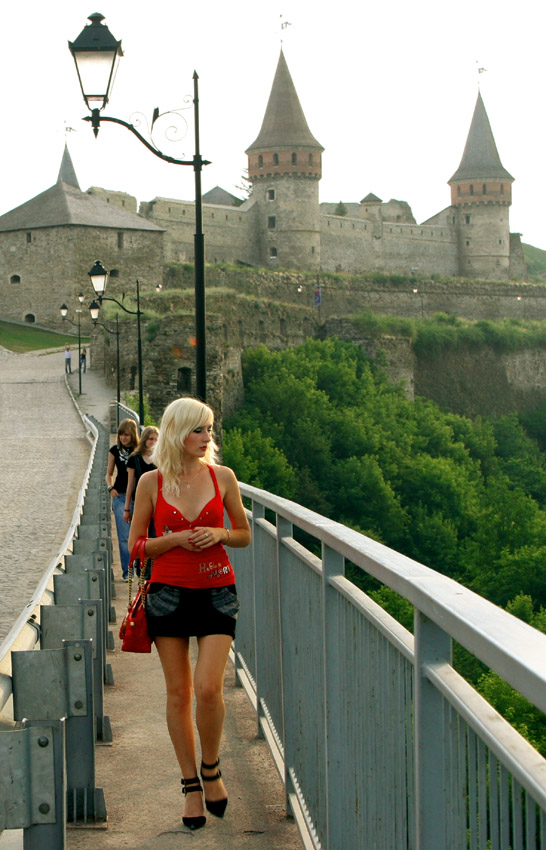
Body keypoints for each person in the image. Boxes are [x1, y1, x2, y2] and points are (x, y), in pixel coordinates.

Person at [129, 398, 251, 831]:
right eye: (198, 430)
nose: (206, 438)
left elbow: (243, 534)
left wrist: (220, 532)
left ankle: (212, 767)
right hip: (167, 595)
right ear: (178, 432)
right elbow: (136, 546)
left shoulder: (223, 477)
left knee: (208, 689)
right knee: (179, 693)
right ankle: (191, 787)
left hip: (217, 592)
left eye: (209, 429)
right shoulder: (151, 483)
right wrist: (174, 541)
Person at [106, 418, 139, 580]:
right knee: (124, 537)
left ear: (133, 434)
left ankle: (142, 570)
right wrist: (110, 487)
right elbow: (109, 473)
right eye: (121, 435)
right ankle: (128, 572)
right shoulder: (114, 451)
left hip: (139, 498)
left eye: (126, 435)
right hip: (120, 496)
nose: (123, 438)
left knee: (139, 536)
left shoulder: (139, 451)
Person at [124, 426, 159, 561]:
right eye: (151, 439)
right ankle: (141, 566)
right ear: (145, 440)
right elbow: (130, 484)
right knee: (140, 536)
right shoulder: (135, 458)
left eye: (156, 439)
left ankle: (152, 569)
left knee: (155, 536)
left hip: (157, 503)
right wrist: (127, 508)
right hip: (139, 502)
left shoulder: (161, 458)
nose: (153, 442)